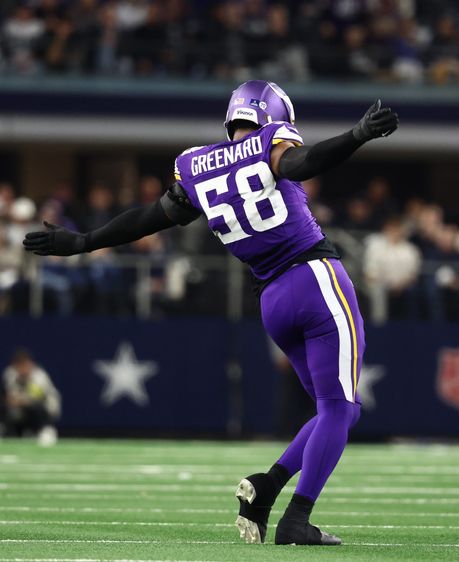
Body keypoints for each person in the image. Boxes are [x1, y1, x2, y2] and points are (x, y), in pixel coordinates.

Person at [23, 80, 399, 546]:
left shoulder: (196, 165)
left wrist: (84, 241)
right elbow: (301, 163)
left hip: (272, 299)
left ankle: (267, 488)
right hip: (315, 278)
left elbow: (151, 217)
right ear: (274, 116)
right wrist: (357, 135)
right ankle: (296, 518)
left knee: (334, 411)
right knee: (340, 408)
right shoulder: (270, 141)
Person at [3, 348, 61, 445]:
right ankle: (7, 432)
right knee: (6, 408)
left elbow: (35, 399)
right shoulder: (10, 374)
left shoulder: (39, 376)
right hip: (20, 409)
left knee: (36, 407)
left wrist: (18, 400)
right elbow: (9, 397)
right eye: (19, 366)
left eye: (25, 365)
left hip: (46, 408)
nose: (23, 369)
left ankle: (46, 430)